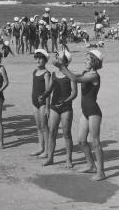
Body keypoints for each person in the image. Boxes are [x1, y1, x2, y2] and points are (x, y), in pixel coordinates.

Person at [54, 49, 106, 181]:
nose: (85, 61)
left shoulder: (94, 75)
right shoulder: (86, 72)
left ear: (94, 62)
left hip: (94, 112)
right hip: (85, 112)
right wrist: (62, 64)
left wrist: (61, 66)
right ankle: (91, 166)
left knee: (95, 143)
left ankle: (101, 172)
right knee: (82, 141)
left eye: (88, 59)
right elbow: (72, 74)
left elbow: (75, 78)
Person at [42, 49, 77, 167]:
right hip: (54, 107)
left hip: (66, 107)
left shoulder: (71, 75)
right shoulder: (53, 74)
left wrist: (65, 101)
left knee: (67, 133)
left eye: (60, 58)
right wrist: (43, 96)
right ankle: (50, 158)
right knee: (52, 132)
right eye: (57, 58)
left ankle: (69, 160)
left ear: (66, 62)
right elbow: (49, 90)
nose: (57, 60)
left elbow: (74, 93)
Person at [31, 49, 51, 158]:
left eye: (41, 59)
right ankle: (41, 147)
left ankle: (47, 150)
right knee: (38, 126)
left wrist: (48, 107)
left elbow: (48, 92)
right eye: (37, 58)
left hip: (43, 103)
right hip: (34, 103)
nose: (38, 60)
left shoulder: (46, 74)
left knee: (45, 126)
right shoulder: (34, 72)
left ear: (45, 60)